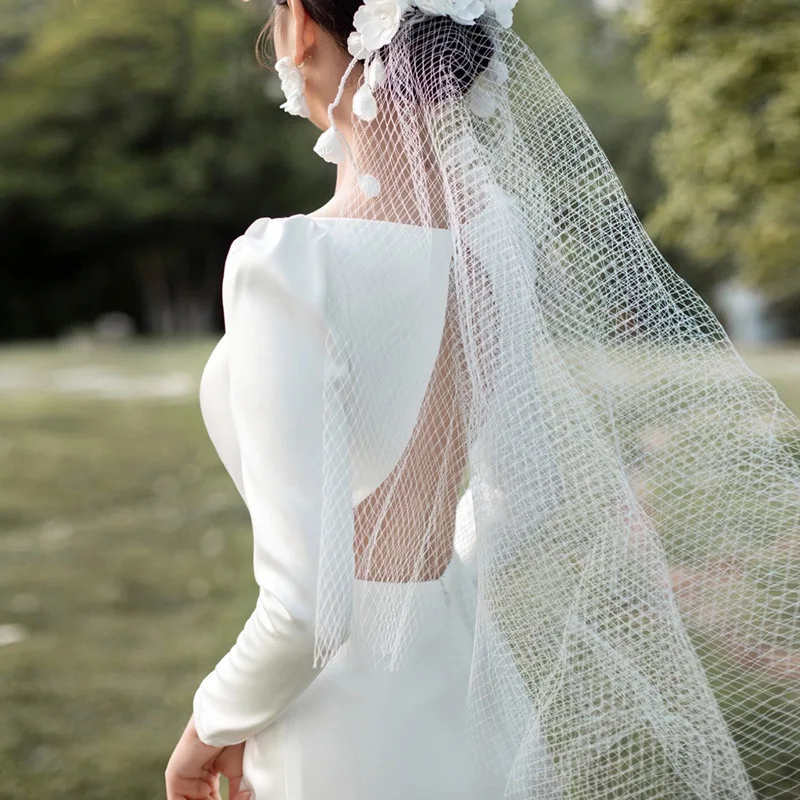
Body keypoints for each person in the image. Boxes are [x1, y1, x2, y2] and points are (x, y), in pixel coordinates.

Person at [166, 1, 799, 799]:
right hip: (452, 665)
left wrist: (209, 725)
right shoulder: (492, 237)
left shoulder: (292, 265)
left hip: (340, 719)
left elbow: (303, 613)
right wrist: (426, 572)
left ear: (300, 28)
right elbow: (523, 496)